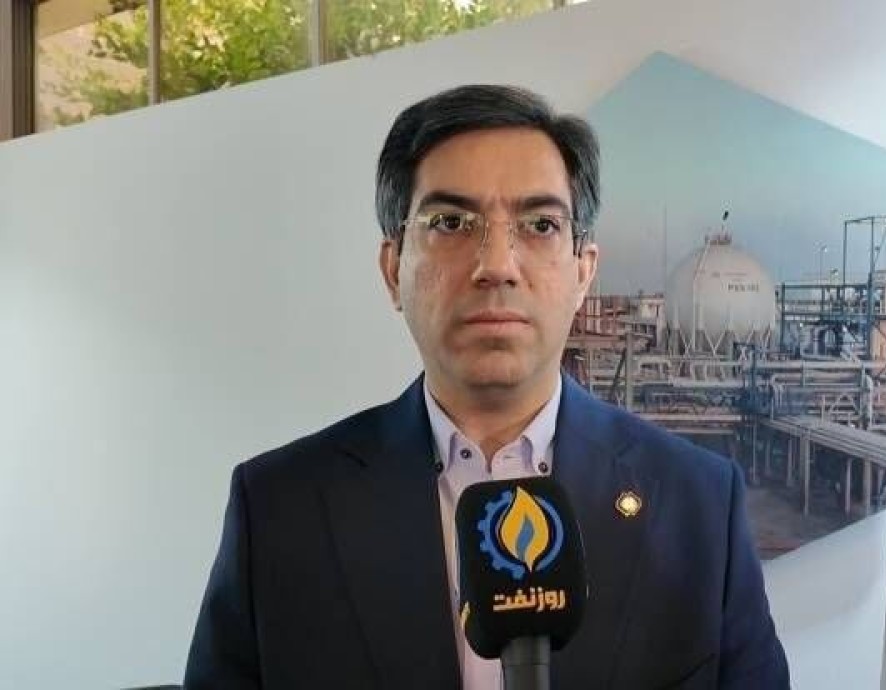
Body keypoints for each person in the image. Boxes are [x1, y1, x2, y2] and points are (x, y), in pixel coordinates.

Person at [184, 84, 790, 689]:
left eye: (540, 225)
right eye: (451, 222)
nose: (497, 265)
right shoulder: (280, 510)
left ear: (583, 272)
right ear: (393, 270)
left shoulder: (699, 505)